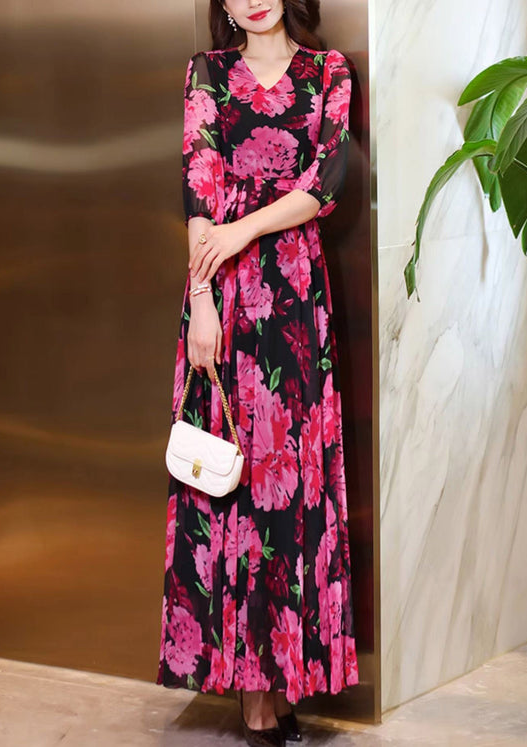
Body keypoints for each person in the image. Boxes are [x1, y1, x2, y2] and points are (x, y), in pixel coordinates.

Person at [156, 1, 359, 745]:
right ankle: (249, 692)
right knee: (232, 487)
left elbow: (327, 180)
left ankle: (283, 673)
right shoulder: (206, 74)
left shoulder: (328, 72)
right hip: (226, 298)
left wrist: (245, 227)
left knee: (291, 487)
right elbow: (198, 188)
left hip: (297, 297)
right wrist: (202, 304)